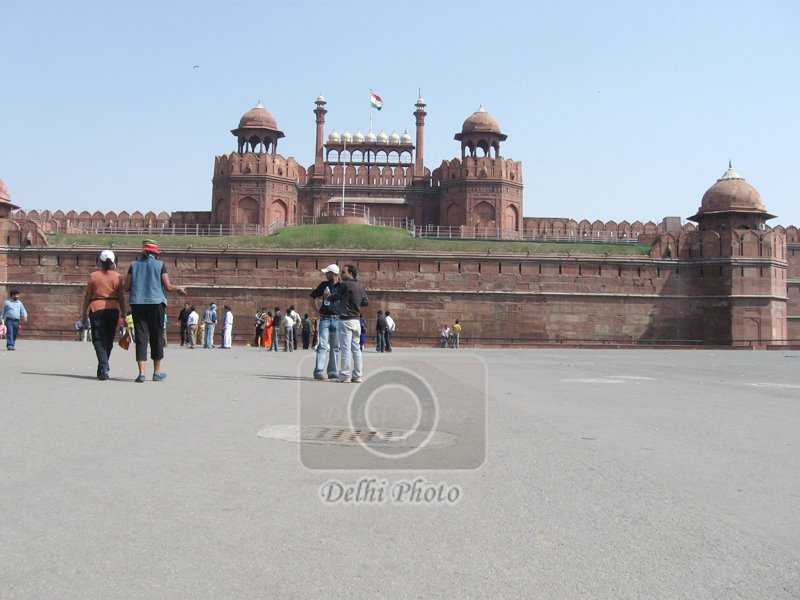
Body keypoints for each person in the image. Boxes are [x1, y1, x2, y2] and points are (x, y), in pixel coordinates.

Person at [125, 240, 187, 382]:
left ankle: (141, 373)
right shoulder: (160, 265)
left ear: (143, 251)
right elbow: (168, 286)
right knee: (156, 336)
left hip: (138, 304)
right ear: (154, 253)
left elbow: (126, 287)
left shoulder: (133, 266)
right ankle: (156, 373)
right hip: (156, 304)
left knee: (141, 337)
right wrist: (179, 288)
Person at [80, 249, 125, 380]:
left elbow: (87, 296)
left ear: (99, 260)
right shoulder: (118, 277)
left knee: (98, 339)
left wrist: (83, 314)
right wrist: (123, 313)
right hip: (113, 310)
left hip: (96, 308)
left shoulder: (93, 276)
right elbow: (121, 297)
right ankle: (103, 368)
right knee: (109, 340)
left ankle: (103, 365)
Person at [334, 264, 368, 383]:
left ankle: (345, 375)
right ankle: (357, 375)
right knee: (356, 349)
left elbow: (335, 297)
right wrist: (355, 304)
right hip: (356, 320)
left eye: (343, 272)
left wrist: (329, 296)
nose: (341, 274)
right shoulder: (360, 286)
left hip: (346, 320)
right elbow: (365, 302)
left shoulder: (345, 285)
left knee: (345, 349)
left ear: (350, 273)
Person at [310, 264, 342, 380]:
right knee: (323, 345)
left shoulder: (342, 287)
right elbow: (312, 297)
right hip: (325, 318)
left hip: (337, 319)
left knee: (335, 347)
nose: (325, 274)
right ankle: (319, 371)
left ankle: (333, 371)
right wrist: (317, 310)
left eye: (327, 273)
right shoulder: (324, 285)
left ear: (333, 274)